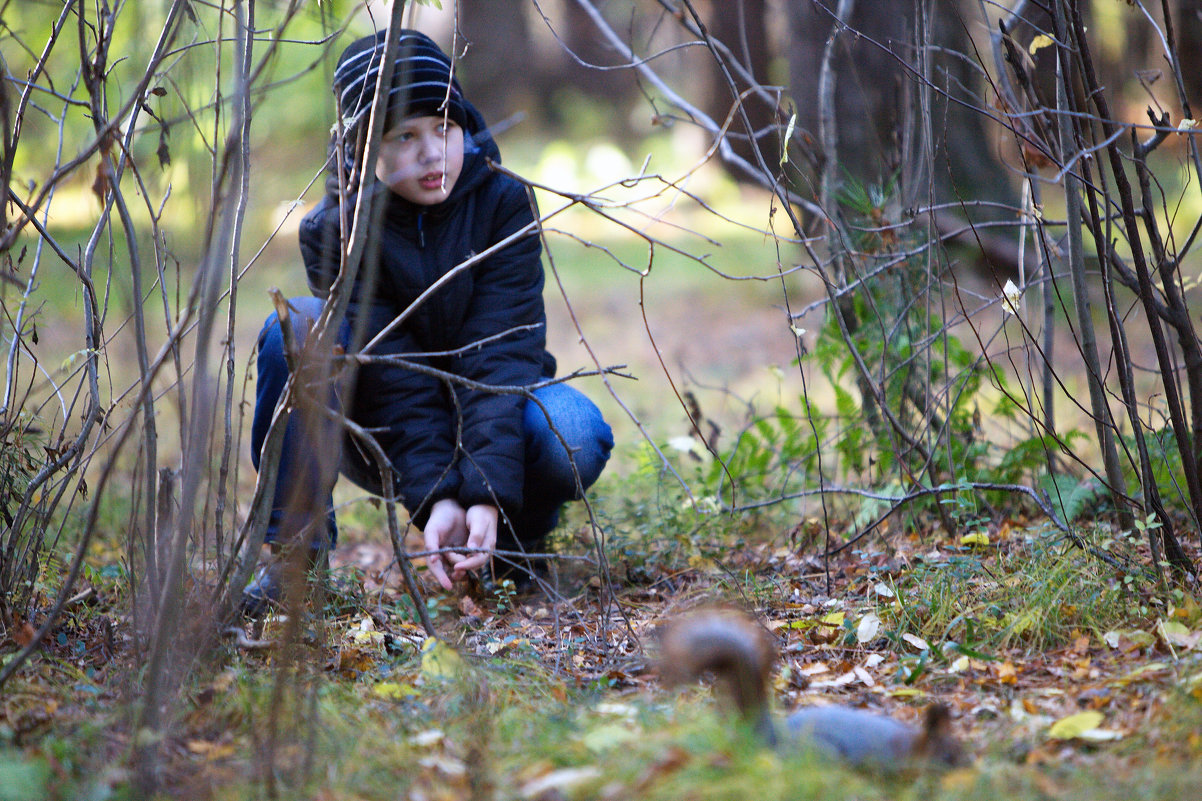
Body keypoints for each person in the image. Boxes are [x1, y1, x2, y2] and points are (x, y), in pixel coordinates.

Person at [243, 28, 613, 615]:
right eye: (405, 136)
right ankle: (296, 566)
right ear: (363, 148)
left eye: (445, 128)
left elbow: (502, 353)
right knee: (299, 327)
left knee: (572, 431)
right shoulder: (337, 230)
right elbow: (393, 374)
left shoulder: (503, 203)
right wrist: (437, 496)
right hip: (382, 430)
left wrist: (485, 494)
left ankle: (513, 545)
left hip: (496, 409)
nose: (432, 152)